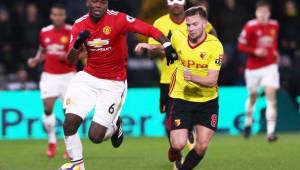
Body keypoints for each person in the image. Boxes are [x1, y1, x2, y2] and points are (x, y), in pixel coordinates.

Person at [62, 0, 176, 169]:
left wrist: (166, 44)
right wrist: (78, 44)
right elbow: (70, 61)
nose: (98, 5)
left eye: (102, 2)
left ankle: (115, 127)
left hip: (113, 83)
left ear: (107, 4)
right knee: (69, 122)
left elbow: (147, 28)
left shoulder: (118, 19)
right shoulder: (79, 24)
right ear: (88, 3)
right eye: (95, 1)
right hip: (88, 78)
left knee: (95, 136)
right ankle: (78, 166)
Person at [136, 6, 223, 170]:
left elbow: (212, 80)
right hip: (181, 96)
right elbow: (167, 49)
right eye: (188, 25)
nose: (190, 28)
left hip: (207, 100)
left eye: (195, 24)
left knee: (202, 146)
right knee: (178, 144)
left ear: (204, 24)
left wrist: (193, 77)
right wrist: (150, 47)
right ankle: (175, 150)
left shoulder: (215, 46)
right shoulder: (178, 36)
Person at [27, 4, 75, 158]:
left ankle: (69, 146)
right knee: (48, 107)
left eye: (60, 15)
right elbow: (42, 51)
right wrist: (35, 60)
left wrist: (68, 57)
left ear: (64, 16)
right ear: (51, 16)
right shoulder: (44, 32)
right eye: (55, 15)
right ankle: (52, 140)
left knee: (69, 113)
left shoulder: (72, 31)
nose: (57, 17)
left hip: (68, 76)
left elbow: (81, 52)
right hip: (49, 75)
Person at [237, 1, 279, 142]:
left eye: (265, 12)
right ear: (256, 13)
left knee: (270, 96)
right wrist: (254, 50)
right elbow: (240, 45)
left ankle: (271, 133)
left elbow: (272, 43)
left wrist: (275, 53)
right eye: (260, 12)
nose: (263, 15)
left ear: (269, 13)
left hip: (270, 67)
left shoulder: (274, 25)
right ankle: (248, 122)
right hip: (253, 69)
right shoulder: (250, 26)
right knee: (253, 97)